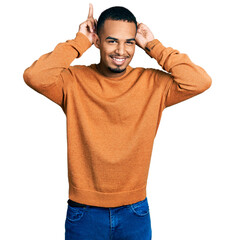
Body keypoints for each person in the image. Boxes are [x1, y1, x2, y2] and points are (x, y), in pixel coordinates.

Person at [23, 3, 212, 240]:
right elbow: (34, 76)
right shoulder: (73, 81)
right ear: (98, 41)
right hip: (84, 210)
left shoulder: (153, 83)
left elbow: (199, 81)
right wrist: (79, 41)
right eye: (112, 41)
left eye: (129, 42)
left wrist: (154, 46)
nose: (121, 51)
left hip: (135, 210)